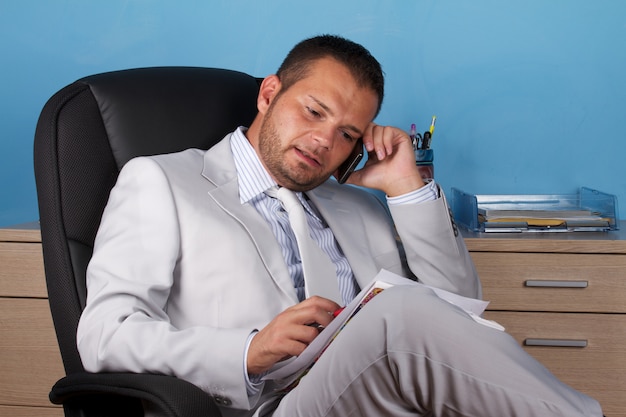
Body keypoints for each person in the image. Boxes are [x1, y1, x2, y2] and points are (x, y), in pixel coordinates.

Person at [76, 35, 603, 417]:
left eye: (348, 133)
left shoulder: (359, 207)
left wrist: (405, 188)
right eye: (312, 112)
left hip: (382, 401)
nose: (325, 142)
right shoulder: (162, 181)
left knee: (418, 319)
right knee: (399, 311)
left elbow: (456, 314)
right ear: (268, 94)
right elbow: (104, 337)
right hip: (267, 407)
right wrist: (247, 350)